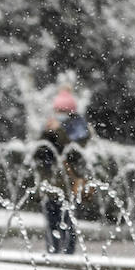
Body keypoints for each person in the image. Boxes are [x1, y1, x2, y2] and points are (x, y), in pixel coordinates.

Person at [35, 86, 93, 254]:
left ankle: (68, 254)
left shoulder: (79, 129)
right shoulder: (50, 128)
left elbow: (73, 152)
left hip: (69, 184)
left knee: (68, 222)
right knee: (51, 222)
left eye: (61, 110)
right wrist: (46, 133)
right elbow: (40, 153)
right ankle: (52, 252)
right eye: (56, 110)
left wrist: (59, 131)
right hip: (51, 184)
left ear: (70, 112)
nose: (58, 114)